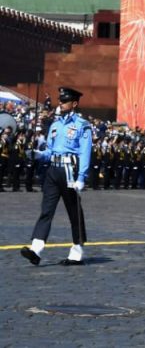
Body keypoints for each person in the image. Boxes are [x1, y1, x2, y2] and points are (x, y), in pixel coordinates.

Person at [21, 87, 93, 266]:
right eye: (60, 100)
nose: (60, 103)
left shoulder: (82, 125)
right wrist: (37, 154)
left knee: (74, 212)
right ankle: (36, 249)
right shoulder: (55, 125)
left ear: (74, 103)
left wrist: (82, 177)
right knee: (46, 210)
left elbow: (85, 152)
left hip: (70, 171)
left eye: (64, 101)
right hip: (53, 170)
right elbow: (50, 151)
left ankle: (77, 252)